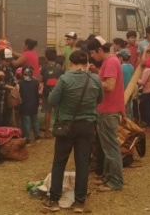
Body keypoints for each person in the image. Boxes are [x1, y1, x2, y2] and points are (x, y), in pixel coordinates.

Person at [42, 51, 103, 213]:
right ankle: (80, 203)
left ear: (70, 63)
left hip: (66, 126)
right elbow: (100, 99)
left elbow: (52, 100)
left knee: (59, 161)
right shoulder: (95, 79)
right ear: (87, 63)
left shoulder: (65, 79)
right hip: (88, 126)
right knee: (82, 163)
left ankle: (54, 200)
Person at [88, 36, 124, 192]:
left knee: (111, 148)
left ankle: (115, 182)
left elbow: (109, 85)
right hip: (107, 109)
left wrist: (91, 80)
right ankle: (108, 178)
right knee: (108, 147)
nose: (92, 57)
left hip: (108, 111)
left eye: (93, 53)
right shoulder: (110, 61)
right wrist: (96, 73)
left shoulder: (110, 62)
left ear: (99, 50)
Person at [41, 48, 63, 139]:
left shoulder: (44, 67)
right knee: (59, 112)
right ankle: (60, 129)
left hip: (47, 93)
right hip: (57, 92)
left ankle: (47, 133)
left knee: (47, 112)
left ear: (46, 57)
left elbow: (42, 78)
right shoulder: (58, 66)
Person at [19, 66, 41, 144]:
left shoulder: (20, 83)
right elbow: (38, 94)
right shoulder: (35, 83)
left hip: (24, 106)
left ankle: (27, 139)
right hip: (34, 104)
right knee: (35, 121)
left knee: (26, 123)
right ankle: (37, 136)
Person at [137, 65, 150, 131]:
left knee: (147, 109)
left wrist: (136, 78)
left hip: (147, 92)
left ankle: (148, 126)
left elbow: (142, 82)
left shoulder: (147, 70)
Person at [118, 49, 135, 120]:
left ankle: (128, 123)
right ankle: (130, 120)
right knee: (129, 106)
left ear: (121, 58)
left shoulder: (120, 67)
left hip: (123, 91)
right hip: (130, 90)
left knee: (124, 108)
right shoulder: (131, 67)